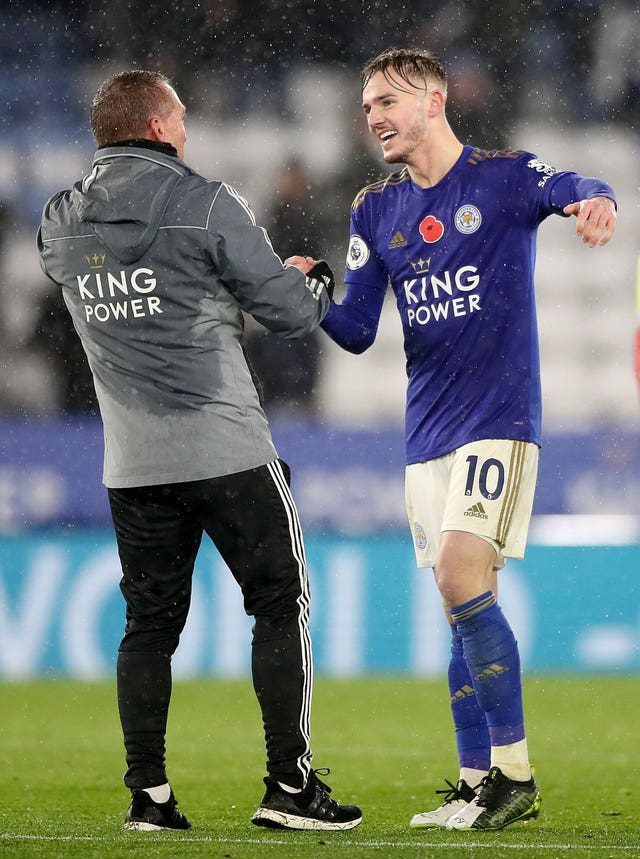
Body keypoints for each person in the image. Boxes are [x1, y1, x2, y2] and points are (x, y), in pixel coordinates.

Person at [288, 47, 617, 832]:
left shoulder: (502, 177)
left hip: (497, 419)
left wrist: (595, 200)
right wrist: (311, 291)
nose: (375, 116)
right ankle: (475, 781)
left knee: (460, 574)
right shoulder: (376, 209)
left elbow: (569, 183)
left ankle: (514, 772)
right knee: (460, 600)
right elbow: (358, 329)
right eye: (367, 106)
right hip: (425, 432)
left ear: (434, 101)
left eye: (389, 101)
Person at [37, 70, 361, 834]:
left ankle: (148, 795)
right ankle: (289, 785)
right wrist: (306, 282)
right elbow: (285, 316)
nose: (187, 131)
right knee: (280, 602)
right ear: (155, 126)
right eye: (179, 118)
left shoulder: (60, 220)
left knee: (148, 624)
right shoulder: (208, 202)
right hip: (226, 447)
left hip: (133, 462)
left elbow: (81, 276)